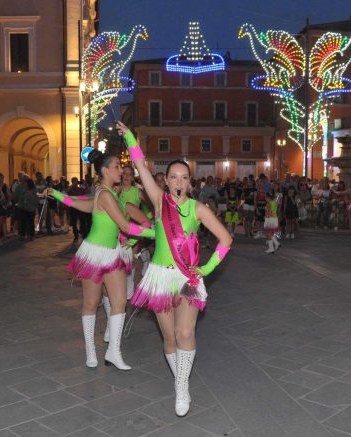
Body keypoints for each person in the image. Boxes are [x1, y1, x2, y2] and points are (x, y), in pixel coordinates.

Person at [118, 121, 232, 417]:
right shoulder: (158, 202)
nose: (178, 181)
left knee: (185, 331)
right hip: (159, 278)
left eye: (184, 177)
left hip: (186, 278)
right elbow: (141, 165)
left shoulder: (198, 209)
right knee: (169, 339)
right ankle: (179, 378)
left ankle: (182, 386)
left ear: (190, 182)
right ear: (166, 181)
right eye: (173, 177)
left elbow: (225, 239)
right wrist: (129, 136)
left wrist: (206, 268)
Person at [45, 149, 154, 370]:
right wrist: (156, 233)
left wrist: (54, 193)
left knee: (119, 301)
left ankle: (114, 351)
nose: (121, 170)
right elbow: (124, 226)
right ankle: (90, 350)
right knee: (91, 303)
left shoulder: (107, 193)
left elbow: (80, 203)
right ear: (105, 170)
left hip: (112, 253)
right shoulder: (104, 194)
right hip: (94, 254)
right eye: (116, 166)